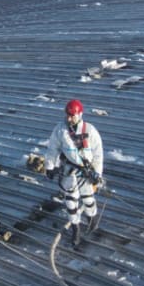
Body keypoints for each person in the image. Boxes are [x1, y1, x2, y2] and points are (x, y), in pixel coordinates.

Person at [44, 99, 104, 247]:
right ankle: (75, 228)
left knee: (88, 198)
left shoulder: (90, 130)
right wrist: (49, 166)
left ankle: (92, 221)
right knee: (71, 201)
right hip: (68, 171)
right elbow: (52, 148)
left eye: (72, 115)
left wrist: (97, 173)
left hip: (86, 172)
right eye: (68, 115)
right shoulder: (60, 130)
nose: (69, 118)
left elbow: (98, 154)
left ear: (80, 114)